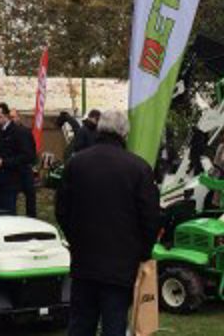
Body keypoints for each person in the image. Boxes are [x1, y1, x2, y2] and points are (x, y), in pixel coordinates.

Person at [55, 110, 159, 336]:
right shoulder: (138, 168)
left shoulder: (76, 163)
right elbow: (150, 217)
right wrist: (143, 252)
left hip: (84, 259)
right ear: (125, 133)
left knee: (81, 322)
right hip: (121, 263)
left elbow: (61, 210)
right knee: (114, 323)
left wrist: (75, 238)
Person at [0, 102, 33, 215]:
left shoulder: (20, 132)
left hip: (9, 183)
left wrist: (4, 162)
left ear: (7, 116)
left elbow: (28, 156)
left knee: (6, 217)